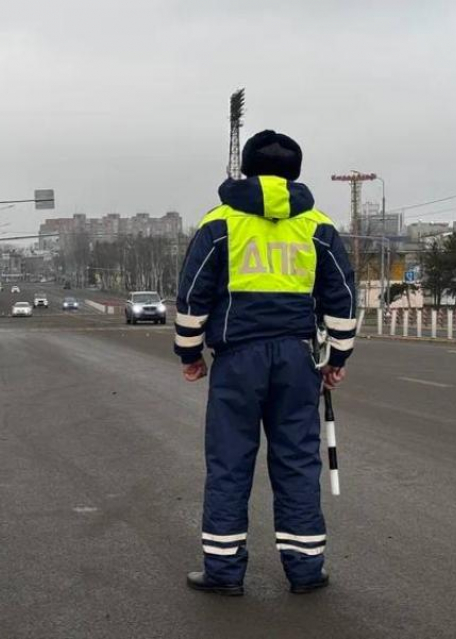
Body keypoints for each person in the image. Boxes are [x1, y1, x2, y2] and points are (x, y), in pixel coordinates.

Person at [174, 130, 356, 596]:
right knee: (297, 462)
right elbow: (341, 299)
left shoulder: (219, 225)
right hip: (297, 359)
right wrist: (336, 357)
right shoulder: (319, 227)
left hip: (237, 361)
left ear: (247, 168)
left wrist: (190, 354)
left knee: (230, 463)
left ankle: (223, 571)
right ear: (294, 171)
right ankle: (306, 570)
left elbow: (193, 297)